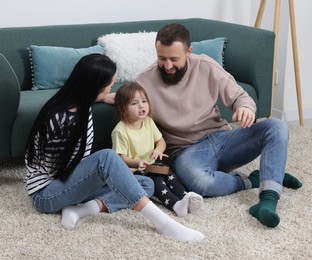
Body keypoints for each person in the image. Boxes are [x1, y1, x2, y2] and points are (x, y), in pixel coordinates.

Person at [24, 53, 205, 242]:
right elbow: (61, 171)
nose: (112, 88)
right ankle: (164, 224)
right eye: (109, 86)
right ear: (95, 87)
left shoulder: (77, 103)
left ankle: (80, 210)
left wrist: (102, 98)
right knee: (108, 159)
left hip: (69, 183)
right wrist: (104, 172)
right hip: (47, 193)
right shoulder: (63, 120)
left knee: (145, 184)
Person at [136, 23, 302, 228]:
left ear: (189, 51)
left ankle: (268, 200)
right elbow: (126, 100)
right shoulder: (145, 81)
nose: (167, 65)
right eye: (162, 58)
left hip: (222, 138)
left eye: (173, 59)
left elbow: (240, 97)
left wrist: (246, 108)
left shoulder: (206, 65)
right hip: (186, 151)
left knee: (277, 127)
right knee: (200, 182)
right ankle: (252, 180)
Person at [112, 82, 203, 217]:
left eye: (144, 101)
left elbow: (161, 141)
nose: (141, 106)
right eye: (134, 103)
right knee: (157, 181)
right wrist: (137, 163)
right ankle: (175, 205)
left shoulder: (148, 121)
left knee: (170, 174)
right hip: (136, 171)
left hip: (152, 165)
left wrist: (158, 150)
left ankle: (185, 197)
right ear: (123, 109)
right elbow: (120, 157)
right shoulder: (120, 131)